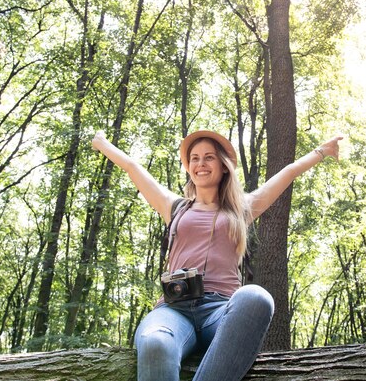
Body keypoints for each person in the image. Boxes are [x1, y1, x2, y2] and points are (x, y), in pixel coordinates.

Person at [92, 129, 343, 381]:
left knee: (256, 297)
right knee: (156, 343)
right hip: (173, 310)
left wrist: (321, 151)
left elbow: (287, 173)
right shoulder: (174, 207)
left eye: (209, 157)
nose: (201, 163)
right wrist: (102, 144)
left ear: (223, 166)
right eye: (195, 158)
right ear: (189, 167)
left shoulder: (241, 209)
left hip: (221, 311)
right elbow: (133, 168)